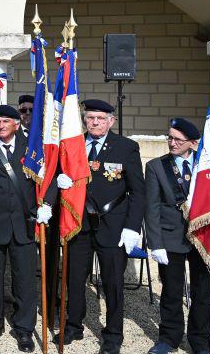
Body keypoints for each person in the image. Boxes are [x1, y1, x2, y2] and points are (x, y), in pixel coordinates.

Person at [144, 118, 210, 354]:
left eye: (178, 139)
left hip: (204, 237)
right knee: (171, 291)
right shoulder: (156, 166)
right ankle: (168, 338)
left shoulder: (208, 166)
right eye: (169, 137)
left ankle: (200, 342)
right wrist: (155, 243)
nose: (172, 143)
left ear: (193, 143)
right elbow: (152, 208)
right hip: (171, 238)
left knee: (202, 294)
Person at [58, 99, 144, 354]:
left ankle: (113, 335)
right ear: (85, 119)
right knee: (75, 278)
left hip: (113, 225)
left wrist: (132, 227)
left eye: (101, 118)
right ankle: (73, 326)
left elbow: (137, 192)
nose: (95, 122)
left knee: (112, 283)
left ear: (111, 121)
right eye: (91, 118)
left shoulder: (126, 147)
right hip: (79, 222)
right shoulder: (73, 146)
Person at [0, 105, 55, 352]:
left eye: (7, 121)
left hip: (23, 225)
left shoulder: (32, 148)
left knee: (25, 280)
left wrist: (46, 205)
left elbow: (48, 178)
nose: (1, 125)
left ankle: (24, 329)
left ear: (17, 124)